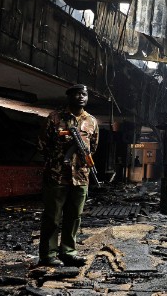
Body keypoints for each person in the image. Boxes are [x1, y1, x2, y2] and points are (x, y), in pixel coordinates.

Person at [37, 84, 99, 267]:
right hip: (57, 175)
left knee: (74, 217)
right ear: (69, 96)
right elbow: (42, 145)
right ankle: (48, 255)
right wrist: (58, 157)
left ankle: (68, 252)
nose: (81, 97)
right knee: (52, 217)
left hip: (80, 177)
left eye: (84, 94)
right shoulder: (55, 118)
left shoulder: (92, 121)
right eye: (77, 94)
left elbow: (93, 148)